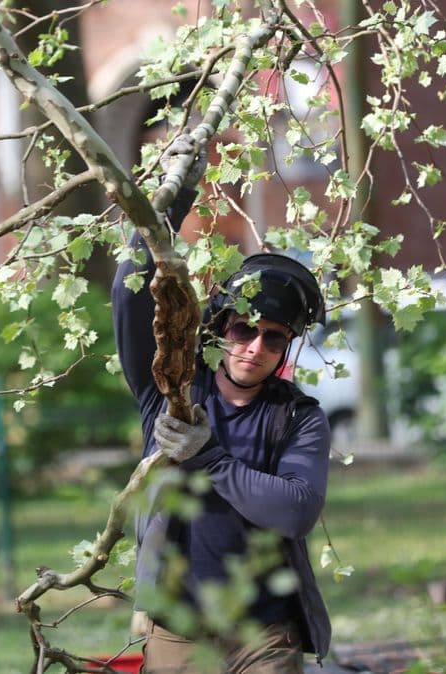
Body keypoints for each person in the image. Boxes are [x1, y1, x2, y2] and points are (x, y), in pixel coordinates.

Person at [112, 134, 332, 673]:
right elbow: (130, 293)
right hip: (178, 633)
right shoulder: (172, 389)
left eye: (275, 338)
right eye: (244, 329)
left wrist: (210, 459)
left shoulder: (297, 417)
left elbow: (295, 509)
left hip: (265, 633)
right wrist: (169, 198)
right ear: (220, 325)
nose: (256, 347)